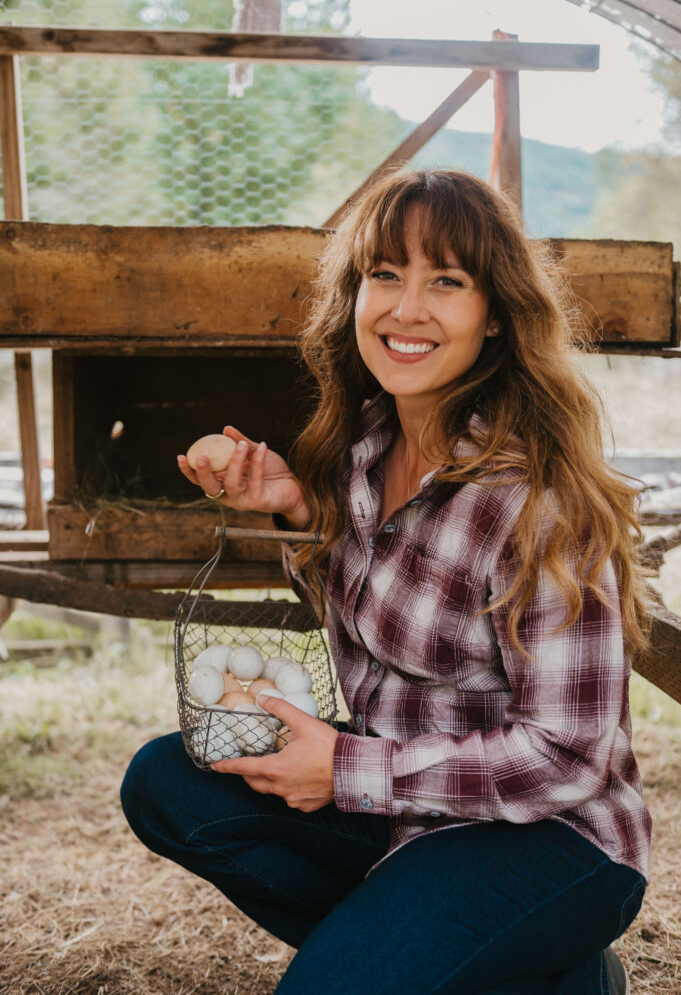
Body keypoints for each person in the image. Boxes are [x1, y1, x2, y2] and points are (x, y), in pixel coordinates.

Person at [121, 169, 651, 994]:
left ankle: (528, 945)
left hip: (550, 836)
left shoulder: (538, 500)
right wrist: (296, 510)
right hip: (404, 809)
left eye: (446, 281)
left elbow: (566, 756)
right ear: (354, 294)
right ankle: (523, 968)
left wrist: (344, 769)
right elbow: (384, 618)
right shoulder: (365, 446)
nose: (407, 309)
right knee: (166, 782)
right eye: (385, 275)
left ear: (497, 318)